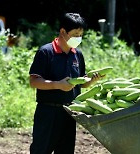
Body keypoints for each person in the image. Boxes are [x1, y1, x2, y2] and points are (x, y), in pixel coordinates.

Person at [29, 12, 104, 154]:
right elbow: (34, 81)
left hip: (70, 113)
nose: (78, 38)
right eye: (75, 34)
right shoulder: (46, 52)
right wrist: (57, 84)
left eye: (81, 34)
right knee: (40, 150)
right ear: (63, 32)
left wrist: (91, 81)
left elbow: (80, 83)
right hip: (48, 113)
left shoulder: (77, 55)